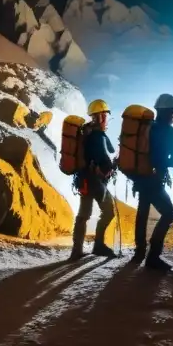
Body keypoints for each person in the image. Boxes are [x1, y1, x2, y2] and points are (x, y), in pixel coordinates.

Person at [131, 93, 173, 271]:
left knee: (142, 212)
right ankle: (153, 256)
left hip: (140, 178)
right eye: (172, 111)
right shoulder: (171, 133)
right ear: (167, 112)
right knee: (168, 214)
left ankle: (139, 251)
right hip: (155, 181)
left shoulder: (146, 128)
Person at [69, 98, 119, 260]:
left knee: (83, 215)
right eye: (105, 115)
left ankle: (76, 250)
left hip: (83, 180)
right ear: (101, 116)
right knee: (109, 211)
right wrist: (113, 165)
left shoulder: (86, 133)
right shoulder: (98, 136)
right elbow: (105, 157)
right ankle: (98, 245)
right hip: (96, 182)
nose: (106, 120)